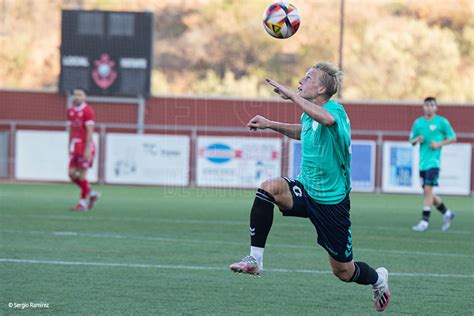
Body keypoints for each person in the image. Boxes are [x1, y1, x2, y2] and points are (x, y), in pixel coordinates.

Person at [229, 62, 390, 312]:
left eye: (308, 78)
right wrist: (270, 123)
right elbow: (305, 130)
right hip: (305, 188)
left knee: (344, 272)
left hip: (331, 203)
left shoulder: (336, 111)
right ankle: (255, 259)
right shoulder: (308, 113)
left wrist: (293, 96)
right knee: (268, 188)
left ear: (321, 88)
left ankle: (378, 280)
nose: (301, 81)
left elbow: (325, 120)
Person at [409, 97, 456, 232]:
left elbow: (453, 137)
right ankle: (447, 213)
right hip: (422, 164)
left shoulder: (442, 122)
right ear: (423, 107)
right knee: (428, 193)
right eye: (427, 105)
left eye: (432, 105)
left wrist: (439, 144)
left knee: (428, 191)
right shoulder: (418, 123)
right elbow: (411, 141)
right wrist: (416, 139)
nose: (429, 107)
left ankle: (424, 221)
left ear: (436, 107)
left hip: (434, 163)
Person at [67, 88, 101, 211]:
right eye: (75, 94)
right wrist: (69, 145)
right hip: (75, 147)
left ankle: (82, 203)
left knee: (82, 176)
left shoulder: (88, 111)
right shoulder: (70, 111)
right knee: (71, 174)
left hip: (85, 146)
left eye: (80, 95)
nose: (76, 97)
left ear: (85, 97)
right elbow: (71, 130)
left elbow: (90, 131)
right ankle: (91, 193)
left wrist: (87, 149)